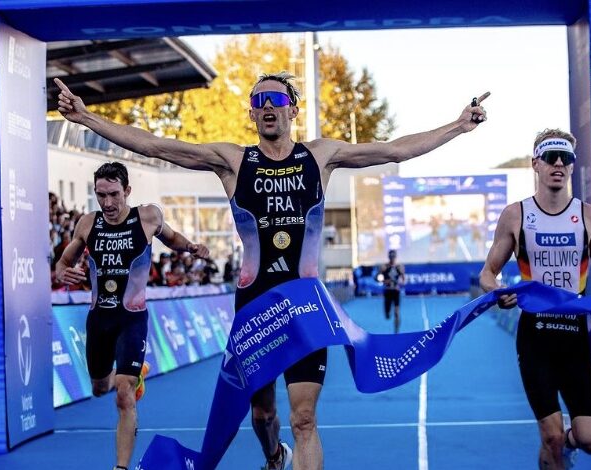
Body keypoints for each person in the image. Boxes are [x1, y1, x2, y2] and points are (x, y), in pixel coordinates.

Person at [54, 73, 488, 470]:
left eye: (276, 97)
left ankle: (287, 452)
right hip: (255, 307)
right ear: (252, 113)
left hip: (305, 306)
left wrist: (457, 126)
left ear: (292, 109)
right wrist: (87, 117)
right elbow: (156, 145)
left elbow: (395, 149)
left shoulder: (321, 156)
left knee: (304, 417)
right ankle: (273, 455)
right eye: (258, 99)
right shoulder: (233, 161)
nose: (266, 105)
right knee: (263, 414)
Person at [479, 129, 591, 470]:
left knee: (590, 440)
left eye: (566, 158)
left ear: (572, 167)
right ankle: (556, 449)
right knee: (551, 438)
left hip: (576, 338)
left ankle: (564, 447)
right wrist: (497, 294)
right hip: (535, 339)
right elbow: (487, 273)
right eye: (550, 157)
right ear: (535, 164)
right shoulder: (516, 215)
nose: (558, 163)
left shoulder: (589, 216)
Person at [55, 162, 209, 470]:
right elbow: (63, 262)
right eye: (101, 195)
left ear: (127, 191)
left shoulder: (148, 216)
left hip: (132, 318)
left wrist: (191, 247)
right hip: (99, 319)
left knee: (124, 393)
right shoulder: (87, 223)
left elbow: (172, 237)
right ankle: (131, 374)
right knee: (100, 389)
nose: (108, 203)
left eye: (114, 194)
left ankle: (121, 467)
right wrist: (64, 273)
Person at [379, 249, 405, 333]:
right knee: (387, 315)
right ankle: (387, 313)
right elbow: (377, 277)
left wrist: (400, 283)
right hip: (388, 291)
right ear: (388, 257)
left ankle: (396, 331)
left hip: (396, 291)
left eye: (393, 257)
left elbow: (403, 279)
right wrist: (384, 281)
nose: (392, 258)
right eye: (391, 257)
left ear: (395, 257)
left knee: (397, 311)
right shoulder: (384, 267)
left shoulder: (399, 267)